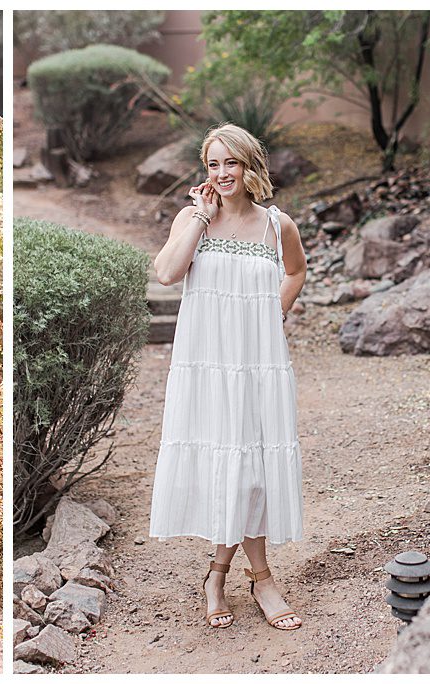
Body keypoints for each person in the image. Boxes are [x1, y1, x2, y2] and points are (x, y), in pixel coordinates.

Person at [149, 123, 307, 631]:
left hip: (258, 362)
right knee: (228, 465)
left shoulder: (275, 225)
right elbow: (167, 274)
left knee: (255, 467)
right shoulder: (193, 218)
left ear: (249, 165)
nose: (222, 174)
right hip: (208, 364)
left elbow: (297, 271)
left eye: (231, 163)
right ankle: (255, 578)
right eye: (213, 164)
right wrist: (198, 217)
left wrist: (274, 314)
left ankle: (226, 575)